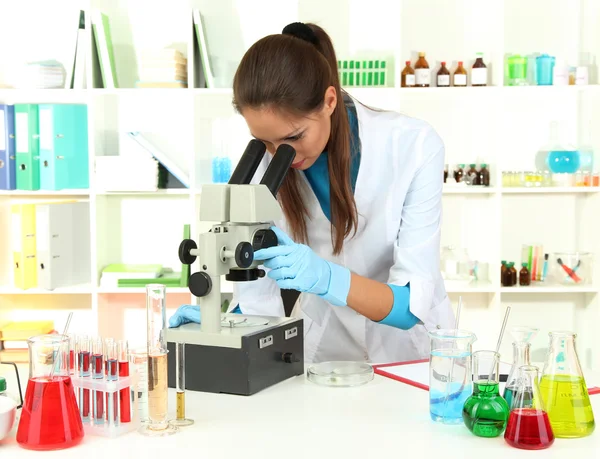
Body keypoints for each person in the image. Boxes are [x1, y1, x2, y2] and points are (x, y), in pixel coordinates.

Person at [170, 22, 454, 363]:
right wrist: (222, 322)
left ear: (329, 101)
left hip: (408, 349)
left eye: (293, 138)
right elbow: (258, 297)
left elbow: (411, 306)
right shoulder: (263, 166)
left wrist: (326, 277)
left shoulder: (413, 145)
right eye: (266, 142)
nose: (280, 154)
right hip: (327, 350)